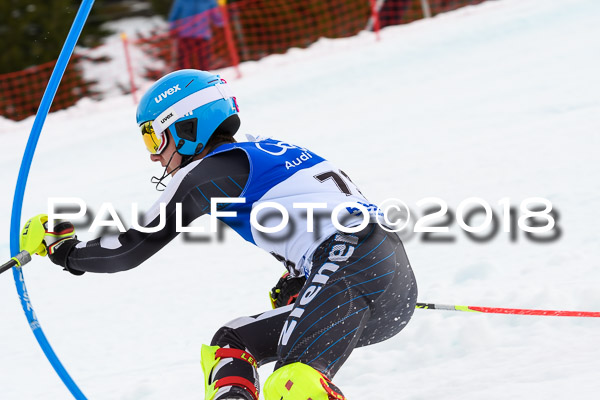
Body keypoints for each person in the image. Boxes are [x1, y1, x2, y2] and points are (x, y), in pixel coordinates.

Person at [23, 69, 418, 400]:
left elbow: (126, 250)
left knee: (294, 384)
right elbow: (322, 215)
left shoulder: (207, 173)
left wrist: (63, 249)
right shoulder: (261, 149)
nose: (153, 155)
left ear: (186, 126)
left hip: (352, 262)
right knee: (230, 344)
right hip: (382, 272)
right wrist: (299, 278)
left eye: (152, 137)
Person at [168, 0, 224, 70]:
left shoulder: (209, 1)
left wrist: (223, 15)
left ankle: (203, 79)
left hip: (202, 37)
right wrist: (172, 28)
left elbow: (217, 19)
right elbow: (173, 17)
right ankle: (184, 79)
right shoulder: (181, 1)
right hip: (185, 37)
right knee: (183, 63)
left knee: (203, 63)